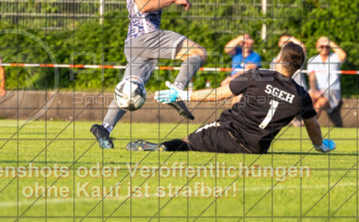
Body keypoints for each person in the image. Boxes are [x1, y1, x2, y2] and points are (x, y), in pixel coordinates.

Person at [90, 0, 235, 149]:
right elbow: (143, 5)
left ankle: (105, 128)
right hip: (147, 37)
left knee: (130, 89)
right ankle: (177, 91)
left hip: (134, 44)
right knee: (198, 52)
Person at [126, 43, 336, 154]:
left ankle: (163, 147)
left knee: (187, 142)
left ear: (279, 58)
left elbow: (218, 94)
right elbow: (313, 125)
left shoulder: (257, 75)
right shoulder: (301, 95)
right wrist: (319, 145)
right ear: (299, 66)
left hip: (227, 133)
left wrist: (183, 95)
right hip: (254, 149)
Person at [307, 37, 347, 126]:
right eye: (322, 46)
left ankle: (308, 124)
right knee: (307, 99)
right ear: (317, 46)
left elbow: (343, 56)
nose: (324, 48)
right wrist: (314, 91)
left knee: (320, 103)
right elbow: (312, 78)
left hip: (332, 90)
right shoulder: (312, 60)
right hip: (316, 89)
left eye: (327, 46)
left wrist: (331, 43)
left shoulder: (335, 57)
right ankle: (302, 123)